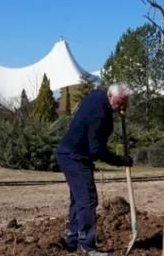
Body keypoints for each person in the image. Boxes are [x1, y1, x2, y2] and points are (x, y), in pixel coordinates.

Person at [56, 82, 134, 256]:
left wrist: (118, 111)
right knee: (88, 200)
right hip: (75, 157)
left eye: (124, 103)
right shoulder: (100, 114)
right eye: (120, 102)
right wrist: (120, 161)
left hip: (69, 153)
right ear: (111, 95)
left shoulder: (97, 96)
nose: (121, 106)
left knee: (79, 199)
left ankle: (72, 239)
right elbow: (96, 149)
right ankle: (86, 246)